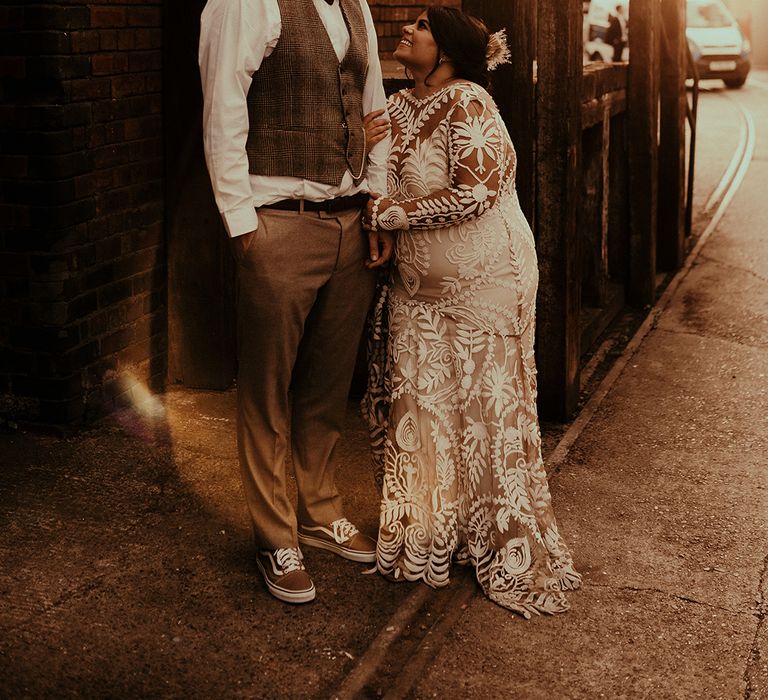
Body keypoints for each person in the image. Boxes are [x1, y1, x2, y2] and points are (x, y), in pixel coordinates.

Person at [361, 6, 581, 617]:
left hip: (486, 281)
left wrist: (389, 218)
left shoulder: (471, 104)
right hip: (414, 286)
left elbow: (478, 191)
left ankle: (502, 537)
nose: (407, 29)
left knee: (484, 407)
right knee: (422, 400)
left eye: (422, 27)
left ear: (449, 52)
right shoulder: (397, 106)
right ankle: (432, 529)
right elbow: (376, 178)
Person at [198, 0, 394, 605]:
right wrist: (240, 223)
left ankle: (320, 509)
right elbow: (223, 109)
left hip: (350, 221)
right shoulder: (245, 3)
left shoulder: (356, 5)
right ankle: (274, 536)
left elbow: (374, 109)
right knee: (267, 388)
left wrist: (378, 198)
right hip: (279, 221)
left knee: (328, 385)